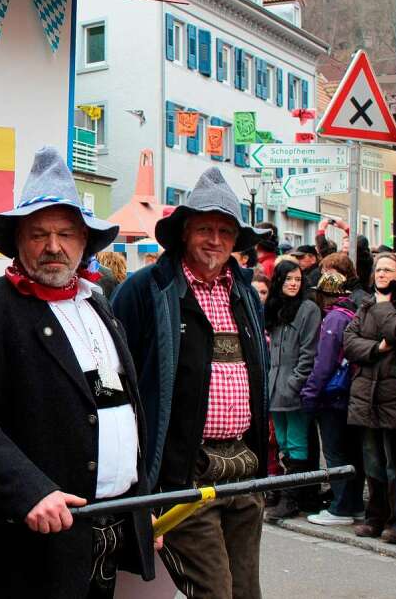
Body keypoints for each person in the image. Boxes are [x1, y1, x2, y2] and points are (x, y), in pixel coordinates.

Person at [0, 147, 155, 598]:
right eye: (39, 234)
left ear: (84, 242)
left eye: (66, 234)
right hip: (31, 545)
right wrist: (30, 491)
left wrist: (140, 505)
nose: (54, 247)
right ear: (18, 240)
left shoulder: (98, 304)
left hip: (105, 525)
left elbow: (118, 405)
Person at [112, 168, 269, 599]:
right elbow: (115, 381)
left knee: (246, 593)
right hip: (183, 476)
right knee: (214, 593)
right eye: (204, 228)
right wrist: (140, 485)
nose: (214, 240)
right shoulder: (146, 289)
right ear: (183, 232)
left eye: (224, 231)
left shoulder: (245, 293)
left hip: (242, 470)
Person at [344, 253, 396, 544]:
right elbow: (349, 342)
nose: (380, 274)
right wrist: (378, 347)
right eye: (378, 270)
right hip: (367, 395)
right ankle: (375, 518)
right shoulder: (366, 304)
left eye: (388, 270)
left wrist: (385, 306)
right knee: (373, 463)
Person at [301, 273, 365, 526]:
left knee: (336, 453)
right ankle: (355, 505)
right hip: (352, 394)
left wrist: (309, 394)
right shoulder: (353, 313)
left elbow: (324, 363)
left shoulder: (334, 319)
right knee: (352, 452)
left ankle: (341, 508)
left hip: (333, 396)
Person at [263, 259, 321, 520]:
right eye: (289, 279)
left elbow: (309, 352)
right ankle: (288, 494)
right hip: (275, 386)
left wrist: (294, 383)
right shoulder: (275, 308)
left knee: (296, 443)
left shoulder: (308, 309)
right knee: (283, 442)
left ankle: (292, 499)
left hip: (293, 388)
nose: (294, 284)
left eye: (298, 279)